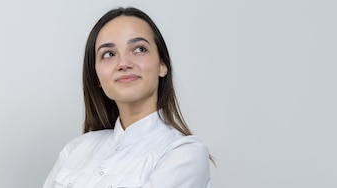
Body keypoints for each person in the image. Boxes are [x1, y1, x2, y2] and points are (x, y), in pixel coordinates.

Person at [43, 7, 212, 188]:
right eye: (108, 54)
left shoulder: (183, 153)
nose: (123, 63)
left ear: (163, 65)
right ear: (97, 77)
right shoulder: (75, 150)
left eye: (139, 49)